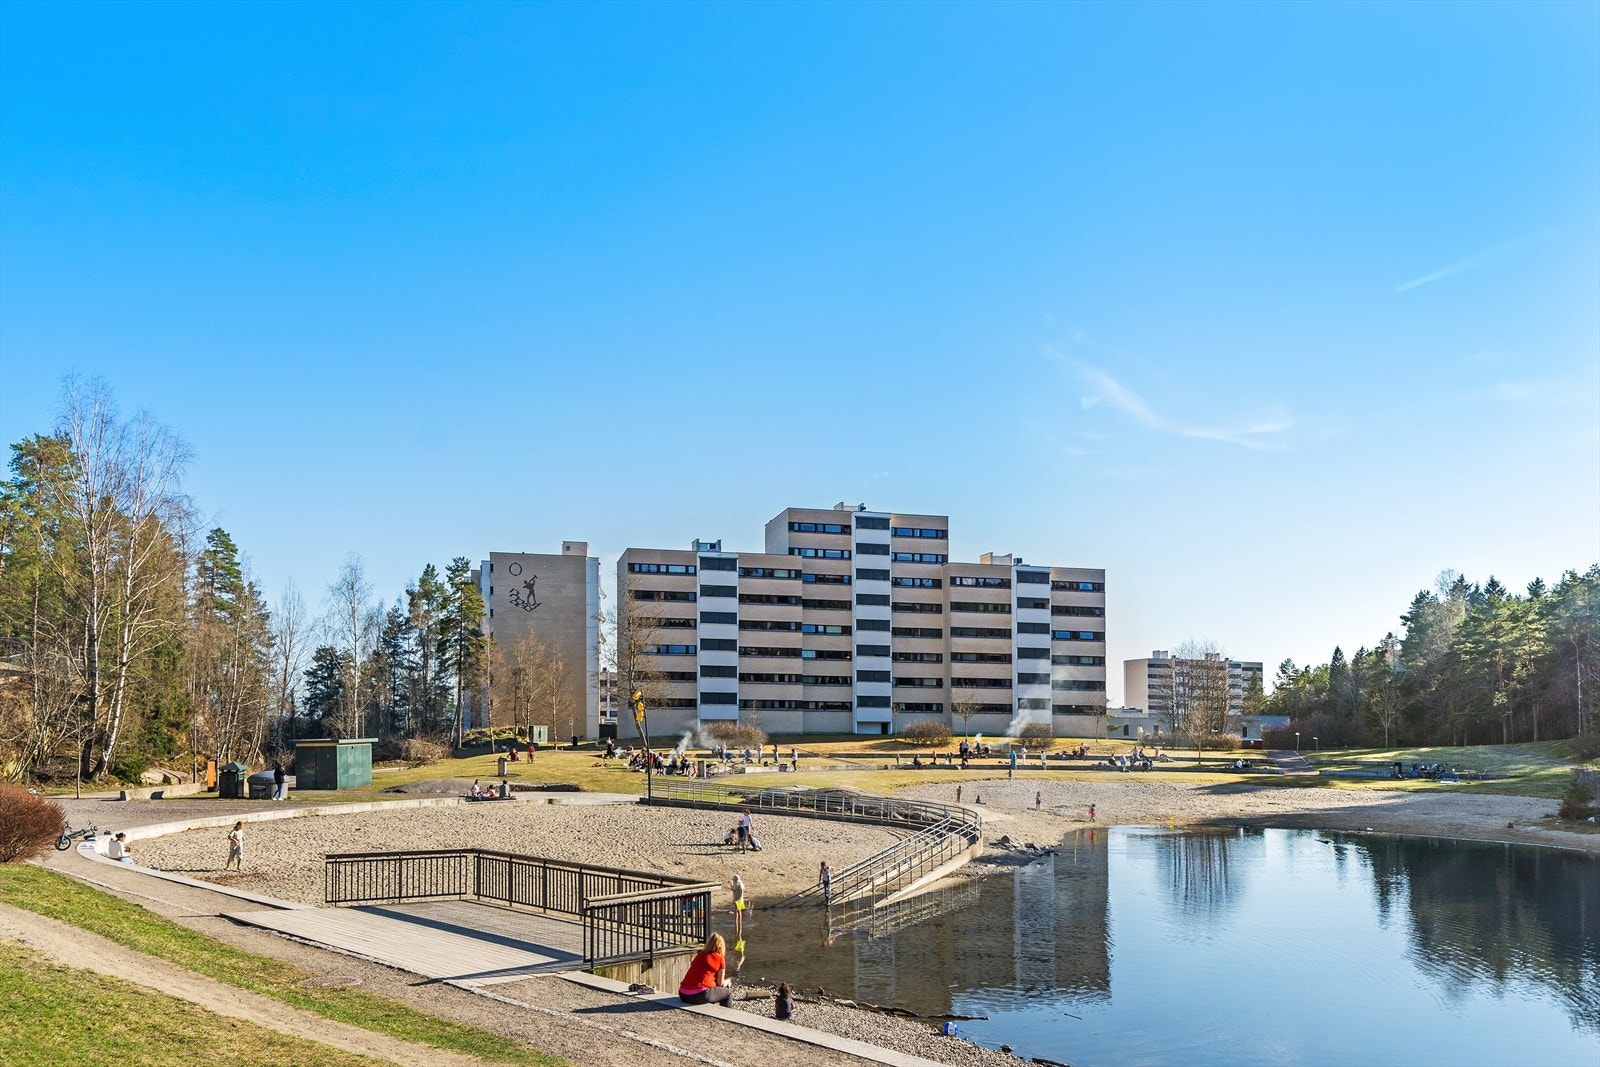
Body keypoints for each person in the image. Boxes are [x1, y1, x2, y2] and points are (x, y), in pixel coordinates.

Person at [678, 932, 732, 1005]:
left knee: (713, 990)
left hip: (683, 994)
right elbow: (720, 983)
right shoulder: (720, 958)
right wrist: (728, 981)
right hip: (700, 994)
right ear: (721, 947)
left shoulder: (700, 954)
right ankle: (725, 1015)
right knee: (726, 993)